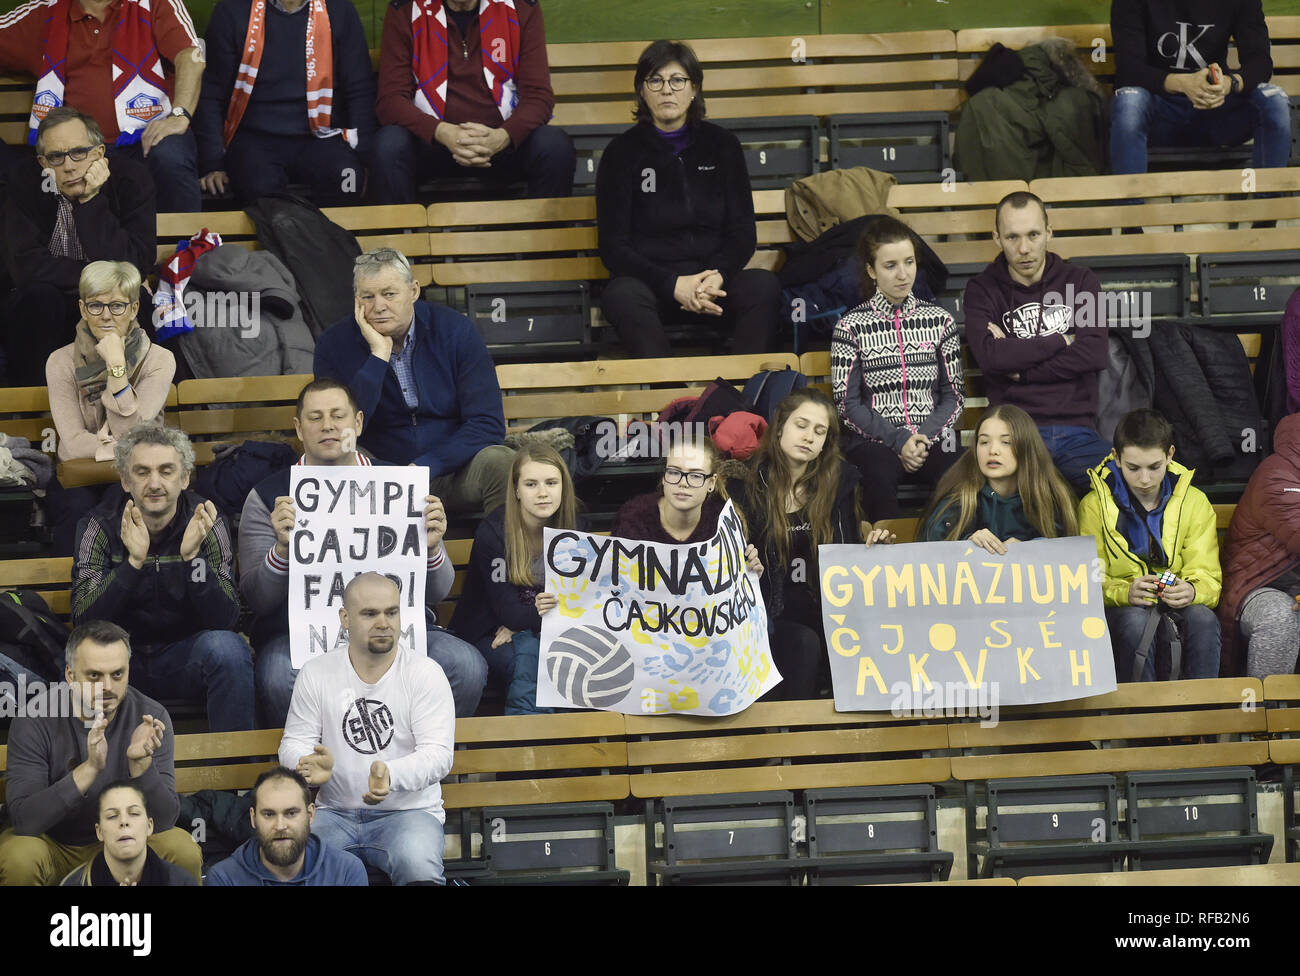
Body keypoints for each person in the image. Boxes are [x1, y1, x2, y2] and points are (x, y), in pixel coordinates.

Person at [238, 377, 488, 725]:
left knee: (466, 666)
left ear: (357, 423)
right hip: (301, 636)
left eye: (338, 415)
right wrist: (282, 549)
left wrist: (431, 548)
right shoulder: (269, 496)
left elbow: (438, 591)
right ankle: (319, 774)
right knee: (278, 676)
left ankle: (414, 762)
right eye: (315, 417)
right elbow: (258, 599)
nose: (328, 425)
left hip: (396, 631)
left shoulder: (399, 485)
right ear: (298, 428)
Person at [595, 39, 781, 359]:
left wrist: (718, 275)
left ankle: (742, 399)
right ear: (642, 90)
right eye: (656, 80)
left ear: (694, 88)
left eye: (677, 80)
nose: (667, 90)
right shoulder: (620, 154)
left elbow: (742, 233)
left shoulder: (723, 146)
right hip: (654, 287)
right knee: (621, 296)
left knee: (764, 288)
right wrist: (672, 284)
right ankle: (669, 401)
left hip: (715, 285)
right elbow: (614, 248)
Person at [71, 423, 255, 731]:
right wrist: (132, 564)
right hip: (119, 665)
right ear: (125, 481)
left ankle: (232, 769)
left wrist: (192, 559)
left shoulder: (206, 519)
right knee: (75, 659)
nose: (154, 483)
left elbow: (226, 618)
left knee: (228, 650)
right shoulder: (99, 524)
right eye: (142, 472)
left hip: (185, 657)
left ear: (184, 478)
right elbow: (84, 618)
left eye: (166, 471)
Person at [280, 573, 455, 885]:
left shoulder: (426, 674)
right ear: (345, 618)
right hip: (334, 813)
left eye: (391, 612)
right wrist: (305, 765)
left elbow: (438, 756)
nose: (384, 622)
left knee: (417, 865)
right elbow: (294, 742)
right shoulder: (317, 672)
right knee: (296, 868)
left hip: (409, 814)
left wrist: (391, 774)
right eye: (370, 613)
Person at [313, 247, 515, 515]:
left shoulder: (455, 330)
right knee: (335, 461)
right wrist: (377, 357)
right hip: (375, 479)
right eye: (367, 297)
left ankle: (495, 555)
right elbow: (341, 429)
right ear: (356, 300)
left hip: (453, 472)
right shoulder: (333, 344)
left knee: (502, 463)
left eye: (389, 294)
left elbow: (486, 423)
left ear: (414, 291)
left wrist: (425, 467)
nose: (379, 306)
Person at [0, 620, 202, 885]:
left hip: (125, 840)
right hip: (55, 845)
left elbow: (164, 820)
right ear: (70, 676)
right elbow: (26, 820)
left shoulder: (151, 717)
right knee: (20, 856)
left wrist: (141, 766)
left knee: (182, 848)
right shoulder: (34, 719)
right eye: (94, 675)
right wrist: (90, 769)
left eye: (117, 674)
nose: (107, 686)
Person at [726, 389, 893, 701]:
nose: (809, 437)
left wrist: (871, 547)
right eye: (801, 425)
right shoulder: (744, 485)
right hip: (764, 615)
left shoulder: (839, 484)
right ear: (779, 428)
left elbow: (847, 554)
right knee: (803, 643)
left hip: (826, 611)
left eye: (820, 431)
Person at [963, 191, 1111, 496]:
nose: (1024, 248)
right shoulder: (982, 289)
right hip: (1011, 436)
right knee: (981, 502)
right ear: (997, 238)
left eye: (1033, 235)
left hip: (1078, 434)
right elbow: (991, 358)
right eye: (1012, 237)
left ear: (1049, 232)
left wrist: (1023, 368)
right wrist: (1063, 339)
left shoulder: (1081, 282)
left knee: (1128, 491)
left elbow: (1094, 353)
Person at [0, 0, 203, 212]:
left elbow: (190, 56)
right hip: (74, 156)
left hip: (144, 144)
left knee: (170, 155)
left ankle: (188, 244)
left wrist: (180, 115)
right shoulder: (45, 12)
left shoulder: (155, 3)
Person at [3, 108, 156, 387]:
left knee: (135, 303)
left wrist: (91, 201)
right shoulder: (22, 181)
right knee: (38, 297)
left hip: (107, 300)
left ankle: (134, 407)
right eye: (56, 157)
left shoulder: (131, 179)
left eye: (79, 153)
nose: (69, 166)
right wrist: (103, 278)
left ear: (99, 154)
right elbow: (25, 267)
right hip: (49, 302)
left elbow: (134, 264)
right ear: (42, 162)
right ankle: (32, 409)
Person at [370, 0, 574, 204]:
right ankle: (401, 236)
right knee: (389, 145)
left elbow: (539, 95)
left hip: (501, 145)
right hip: (434, 144)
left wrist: (503, 136)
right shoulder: (406, 9)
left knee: (553, 145)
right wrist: (442, 132)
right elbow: (390, 100)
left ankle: (545, 233)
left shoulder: (521, 7)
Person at [832, 216, 965, 521]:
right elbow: (847, 404)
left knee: (957, 472)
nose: (903, 274)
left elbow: (954, 395)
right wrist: (899, 439)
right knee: (874, 475)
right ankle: (890, 556)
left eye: (909, 262)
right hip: (876, 442)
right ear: (871, 270)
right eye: (890, 265)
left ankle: (947, 552)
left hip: (931, 437)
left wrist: (922, 436)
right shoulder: (850, 327)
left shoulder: (939, 320)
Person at [1078, 408, 1222, 682]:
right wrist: (1124, 592)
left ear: (1170, 454)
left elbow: (1208, 576)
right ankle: (1138, 718)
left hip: (1176, 603)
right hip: (1123, 608)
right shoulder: (1094, 506)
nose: (1144, 479)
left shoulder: (1194, 502)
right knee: (1135, 621)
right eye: (1133, 468)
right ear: (1116, 458)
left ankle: (1203, 717)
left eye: (1154, 467)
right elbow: (1086, 582)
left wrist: (1191, 590)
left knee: (1203, 619)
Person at [44, 260, 175, 555]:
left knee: (125, 503)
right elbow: (74, 444)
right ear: (81, 309)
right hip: (79, 473)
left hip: (137, 473)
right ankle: (78, 595)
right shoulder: (60, 361)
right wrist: (124, 447)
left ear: (133, 309)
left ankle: (125, 593)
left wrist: (116, 367)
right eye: (95, 306)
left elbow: (131, 430)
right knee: (77, 509)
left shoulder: (159, 360)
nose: (106, 316)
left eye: (117, 306)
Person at [195, 0, 376, 206]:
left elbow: (360, 89)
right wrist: (213, 163)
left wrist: (363, 159)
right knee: (260, 191)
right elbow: (211, 94)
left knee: (348, 180)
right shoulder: (233, 10)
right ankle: (296, 237)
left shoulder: (338, 9)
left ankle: (328, 238)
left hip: (321, 137)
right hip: (254, 139)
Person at [452, 443, 585, 715]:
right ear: (516, 490)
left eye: (551, 482)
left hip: (543, 632)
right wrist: (532, 620)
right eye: (531, 484)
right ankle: (532, 746)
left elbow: (583, 606)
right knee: (535, 659)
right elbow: (511, 614)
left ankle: (574, 747)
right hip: (490, 634)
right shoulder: (494, 532)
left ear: (563, 486)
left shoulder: (577, 528)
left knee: (576, 659)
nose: (543, 493)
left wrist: (531, 622)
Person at [1110, 0, 1291, 175]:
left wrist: (1229, 83)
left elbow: (1260, 62)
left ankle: (1269, 202)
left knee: (1274, 101)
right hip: (1160, 110)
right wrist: (1182, 83)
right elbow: (1129, 68)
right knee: (1129, 103)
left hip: (1217, 107)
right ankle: (1130, 205)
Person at [920, 404, 1079, 552]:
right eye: (984, 442)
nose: (993, 450)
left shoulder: (1050, 496)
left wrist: (1031, 549)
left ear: (1026, 448)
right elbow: (930, 556)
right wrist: (968, 544)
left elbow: (1069, 555)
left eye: (1006, 442)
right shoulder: (959, 499)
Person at [1218, 413, 1300, 678]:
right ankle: (1268, 709)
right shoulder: (1277, 476)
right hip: (1257, 584)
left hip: (1293, 584)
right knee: (1279, 617)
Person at [204, 766, 367, 885]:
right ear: (253, 818)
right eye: (269, 814)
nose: (280, 826)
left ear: (310, 814)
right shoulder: (224, 879)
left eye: (291, 813)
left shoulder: (346, 871)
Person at [60, 780, 197, 885]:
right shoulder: (75, 883)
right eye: (112, 816)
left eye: (134, 813)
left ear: (149, 826)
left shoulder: (181, 881)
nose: (124, 821)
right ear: (100, 831)